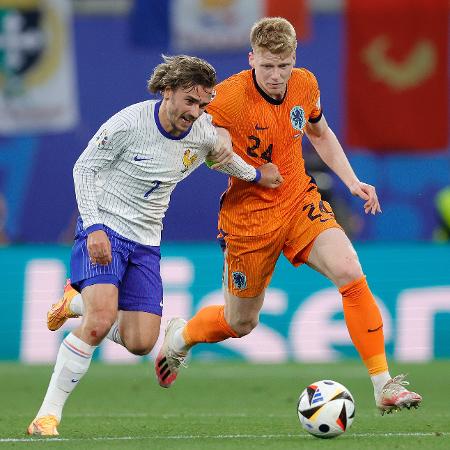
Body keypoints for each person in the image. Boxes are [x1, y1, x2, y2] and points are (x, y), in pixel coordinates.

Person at [153, 18, 422, 415]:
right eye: (267, 66)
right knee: (240, 323)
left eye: (284, 65)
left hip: (298, 200)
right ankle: (181, 336)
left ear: (294, 59)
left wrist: (351, 182)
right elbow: (207, 152)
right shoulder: (226, 99)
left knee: (349, 270)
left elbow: (320, 133)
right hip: (249, 220)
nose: (277, 76)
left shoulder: (305, 83)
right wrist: (239, 163)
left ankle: (383, 385)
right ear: (251, 60)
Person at [27, 54, 282, 436]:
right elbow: (83, 168)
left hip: (146, 242)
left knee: (142, 343)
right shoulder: (129, 123)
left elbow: (219, 159)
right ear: (168, 92)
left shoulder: (203, 132)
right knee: (98, 324)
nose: (195, 111)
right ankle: (47, 416)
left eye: (202, 104)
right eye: (189, 101)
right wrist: (93, 226)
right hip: (105, 228)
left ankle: (74, 302)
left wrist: (256, 175)